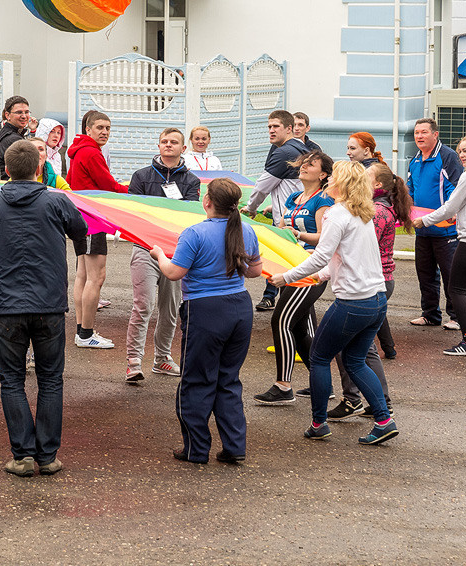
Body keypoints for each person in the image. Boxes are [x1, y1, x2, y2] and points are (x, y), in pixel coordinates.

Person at [0, 139, 88, 477]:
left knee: (11, 379)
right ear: (39, 168)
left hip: (8, 304)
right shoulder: (57, 201)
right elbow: (80, 229)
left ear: (6, 169)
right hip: (49, 302)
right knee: (51, 379)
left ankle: (22, 455)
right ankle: (47, 456)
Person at [272, 161, 398, 446]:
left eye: (333, 179)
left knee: (318, 357)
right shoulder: (363, 212)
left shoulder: (336, 214)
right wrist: (323, 275)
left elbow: (320, 254)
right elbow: (349, 257)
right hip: (376, 300)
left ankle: (319, 423)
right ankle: (383, 420)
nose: (328, 182)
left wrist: (286, 277)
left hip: (353, 302)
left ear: (339, 185)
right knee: (354, 360)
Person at [149, 178, 262, 464]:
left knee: (197, 380)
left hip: (205, 310)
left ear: (207, 202)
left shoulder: (194, 233)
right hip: (239, 307)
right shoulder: (246, 230)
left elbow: (174, 273)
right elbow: (255, 272)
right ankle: (234, 446)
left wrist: (160, 255)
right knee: (228, 379)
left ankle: (196, 449)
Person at [329, 161, 410, 418]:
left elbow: (355, 247)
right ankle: (374, 402)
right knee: (362, 348)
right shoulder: (374, 209)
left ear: (376, 185)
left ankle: (365, 401)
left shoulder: (376, 212)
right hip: (376, 282)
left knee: (354, 349)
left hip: (373, 282)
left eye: (366, 176)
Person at [254, 151, 334, 405]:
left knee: (281, 320)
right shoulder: (294, 197)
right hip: (289, 266)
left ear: (322, 175)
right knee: (299, 329)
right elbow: (283, 226)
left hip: (309, 270)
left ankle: (283, 386)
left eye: (311, 165)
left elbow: (323, 236)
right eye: (303, 163)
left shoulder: (323, 201)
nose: (303, 167)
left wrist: (297, 236)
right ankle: (323, 384)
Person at [125, 128, 200, 383]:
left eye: (174, 142)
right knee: (143, 305)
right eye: (164, 141)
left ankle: (162, 358)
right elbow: (133, 212)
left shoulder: (192, 181)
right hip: (144, 248)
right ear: (158, 146)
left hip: (176, 252)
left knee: (170, 308)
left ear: (183, 149)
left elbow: (188, 216)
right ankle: (133, 362)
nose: (168, 145)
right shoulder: (141, 176)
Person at [415, 135, 466, 357]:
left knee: (456, 289)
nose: (461, 155)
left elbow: (450, 207)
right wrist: (458, 217)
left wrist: (423, 220)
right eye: (459, 151)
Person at [67, 109, 128, 349]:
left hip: (82, 217)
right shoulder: (91, 153)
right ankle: (85, 334)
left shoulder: (79, 151)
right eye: (100, 127)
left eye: (108, 128)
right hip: (92, 219)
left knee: (83, 275)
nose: (104, 132)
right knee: (96, 276)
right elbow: (108, 186)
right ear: (88, 129)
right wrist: (134, 189)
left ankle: (82, 329)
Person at [243, 110, 308, 311]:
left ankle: (290, 310)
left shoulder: (284, 152)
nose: (271, 131)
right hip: (297, 215)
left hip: (289, 221)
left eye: (275, 127)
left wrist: (251, 208)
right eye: (269, 127)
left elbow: (263, 186)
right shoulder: (299, 147)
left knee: (288, 267)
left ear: (289, 129)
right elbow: (290, 187)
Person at [406, 117, 462, 329]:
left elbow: (455, 189)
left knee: (450, 275)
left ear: (435, 134)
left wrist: (449, 213)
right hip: (422, 229)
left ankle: (456, 316)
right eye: (417, 133)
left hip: (446, 230)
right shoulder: (415, 160)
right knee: (425, 274)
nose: (419, 136)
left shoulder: (448, 157)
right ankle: (430, 314)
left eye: (424, 132)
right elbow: (410, 190)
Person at [0, 96, 32, 180]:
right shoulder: (13, 139)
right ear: (7, 115)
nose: (24, 116)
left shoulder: (7, 132)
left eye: (26, 112)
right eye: (19, 112)